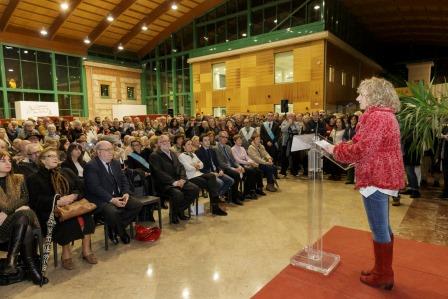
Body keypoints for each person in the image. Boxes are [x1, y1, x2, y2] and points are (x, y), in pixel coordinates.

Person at [325, 77, 405, 290]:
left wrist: (335, 149)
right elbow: (367, 144)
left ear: (373, 96)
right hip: (381, 173)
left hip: (375, 176)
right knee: (383, 226)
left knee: (379, 227)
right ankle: (382, 268)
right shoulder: (384, 115)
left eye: (362, 94)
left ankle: (383, 274)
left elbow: (362, 149)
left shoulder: (377, 117)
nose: (358, 97)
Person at [28, 147, 97, 270]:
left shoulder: (66, 171)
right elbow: (35, 201)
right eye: (50, 156)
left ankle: (86, 251)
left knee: (87, 216)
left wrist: (74, 195)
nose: (55, 158)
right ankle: (66, 255)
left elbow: (80, 187)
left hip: (72, 205)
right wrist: (57, 201)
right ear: (42, 160)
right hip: (50, 212)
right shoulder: (34, 178)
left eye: (56, 156)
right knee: (66, 220)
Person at [0, 151, 48, 285]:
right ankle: (31, 269)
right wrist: (16, 209)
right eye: (3, 161)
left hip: (15, 222)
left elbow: (25, 198)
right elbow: (21, 202)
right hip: (1, 227)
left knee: (24, 215)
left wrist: (7, 212)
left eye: (9, 160)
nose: (8, 163)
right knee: (25, 218)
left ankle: (12, 261)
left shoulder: (18, 178)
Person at [84, 141, 143, 245]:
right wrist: (111, 200)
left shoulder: (115, 162)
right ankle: (122, 232)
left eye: (112, 149)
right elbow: (94, 188)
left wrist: (126, 193)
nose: (111, 152)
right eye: (107, 150)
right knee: (113, 212)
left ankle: (114, 228)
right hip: (101, 199)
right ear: (99, 152)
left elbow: (123, 178)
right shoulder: (91, 166)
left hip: (118, 195)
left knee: (137, 205)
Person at [149, 135, 200, 224]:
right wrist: (174, 182)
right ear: (158, 144)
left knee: (194, 189)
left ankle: (179, 210)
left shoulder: (172, 153)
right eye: (163, 141)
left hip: (179, 180)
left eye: (167, 141)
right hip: (165, 184)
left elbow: (181, 167)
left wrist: (183, 179)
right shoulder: (154, 155)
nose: (166, 143)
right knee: (178, 194)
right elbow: (159, 173)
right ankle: (174, 214)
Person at [178, 139, 227, 216]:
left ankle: (215, 200)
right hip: (191, 177)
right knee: (211, 184)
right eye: (188, 144)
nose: (190, 146)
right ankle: (215, 206)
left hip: (199, 173)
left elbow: (202, 164)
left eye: (191, 144)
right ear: (183, 146)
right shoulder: (181, 156)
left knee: (212, 176)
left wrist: (195, 165)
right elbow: (188, 168)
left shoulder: (193, 154)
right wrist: (195, 165)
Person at [196, 134, 234, 200]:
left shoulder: (212, 150)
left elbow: (217, 163)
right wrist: (212, 173)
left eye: (208, 140)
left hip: (216, 171)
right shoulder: (198, 152)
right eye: (205, 140)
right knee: (220, 183)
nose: (208, 142)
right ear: (201, 142)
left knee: (230, 180)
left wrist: (220, 170)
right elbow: (201, 168)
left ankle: (218, 195)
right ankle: (217, 198)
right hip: (208, 174)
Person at [214, 131, 245, 205]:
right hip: (223, 169)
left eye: (226, 137)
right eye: (223, 137)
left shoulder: (228, 147)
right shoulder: (216, 148)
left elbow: (233, 160)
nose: (225, 139)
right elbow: (221, 163)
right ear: (219, 138)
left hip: (230, 166)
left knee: (243, 170)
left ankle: (239, 193)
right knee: (236, 174)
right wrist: (234, 169)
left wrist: (239, 166)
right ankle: (234, 198)